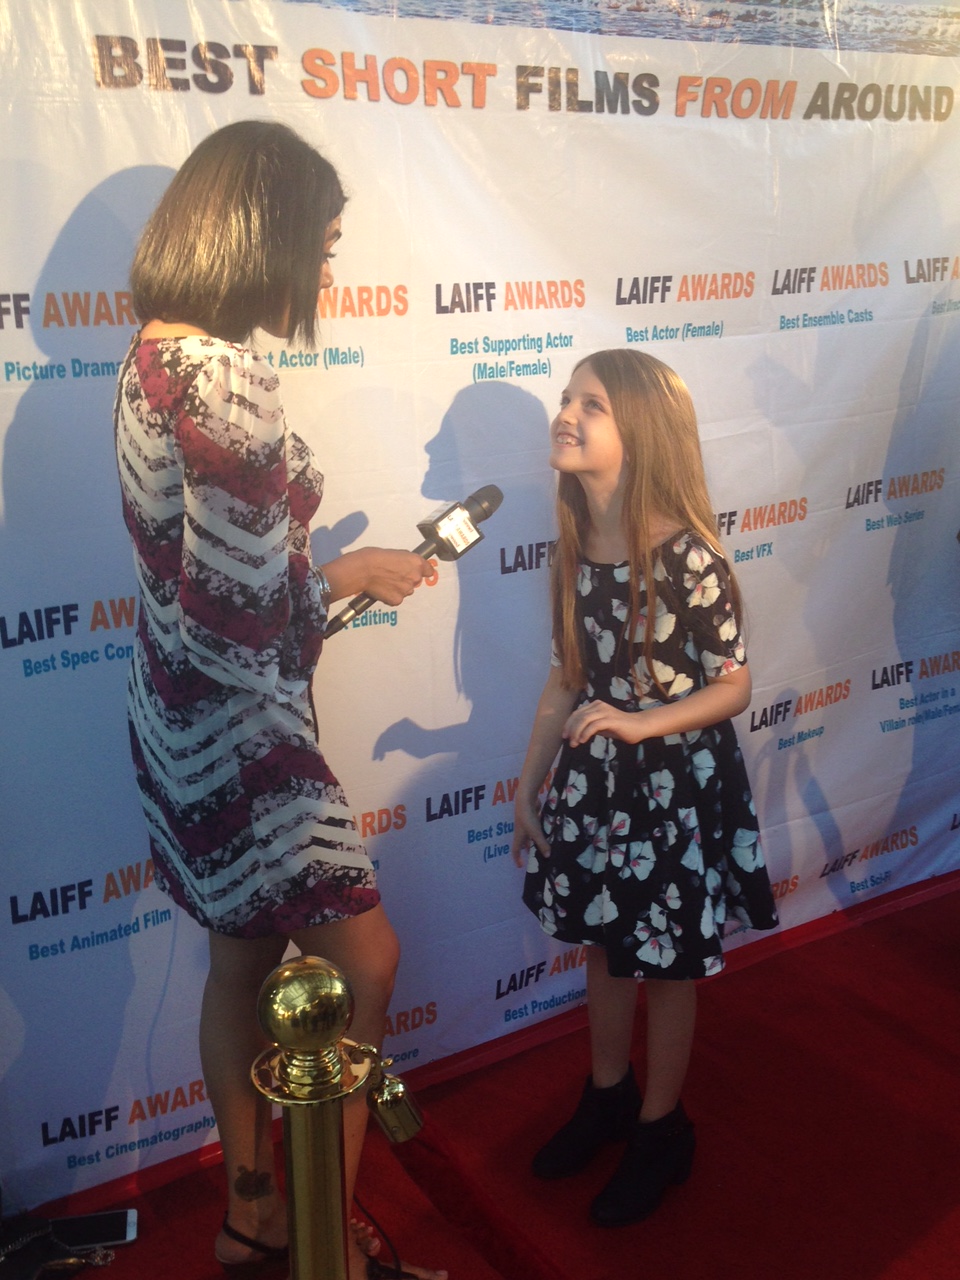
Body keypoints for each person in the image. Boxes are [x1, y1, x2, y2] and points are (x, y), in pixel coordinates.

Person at [114, 120, 445, 1280]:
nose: (326, 271)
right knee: (366, 966)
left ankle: (252, 1216)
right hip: (247, 733)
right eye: (325, 244)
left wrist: (336, 574)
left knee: (241, 963)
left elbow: (206, 575)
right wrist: (331, 596)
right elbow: (246, 619)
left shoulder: (152, 354)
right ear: (267, 234)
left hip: (175, 717)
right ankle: (324, 1240)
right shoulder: (226, 378)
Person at [511, 349, 778, 1227]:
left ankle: (664, 1129)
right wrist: (528, 783)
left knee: (666, 964)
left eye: (592, 404)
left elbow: (733, 685)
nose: (567, 413)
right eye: (566, 398)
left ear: (641, 430)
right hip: (598, 787)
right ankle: (609, 1094)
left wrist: (635, 722)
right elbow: (566, 675)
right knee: (603, 942)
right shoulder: (577, 545)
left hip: (673, 785)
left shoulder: (688, 554)